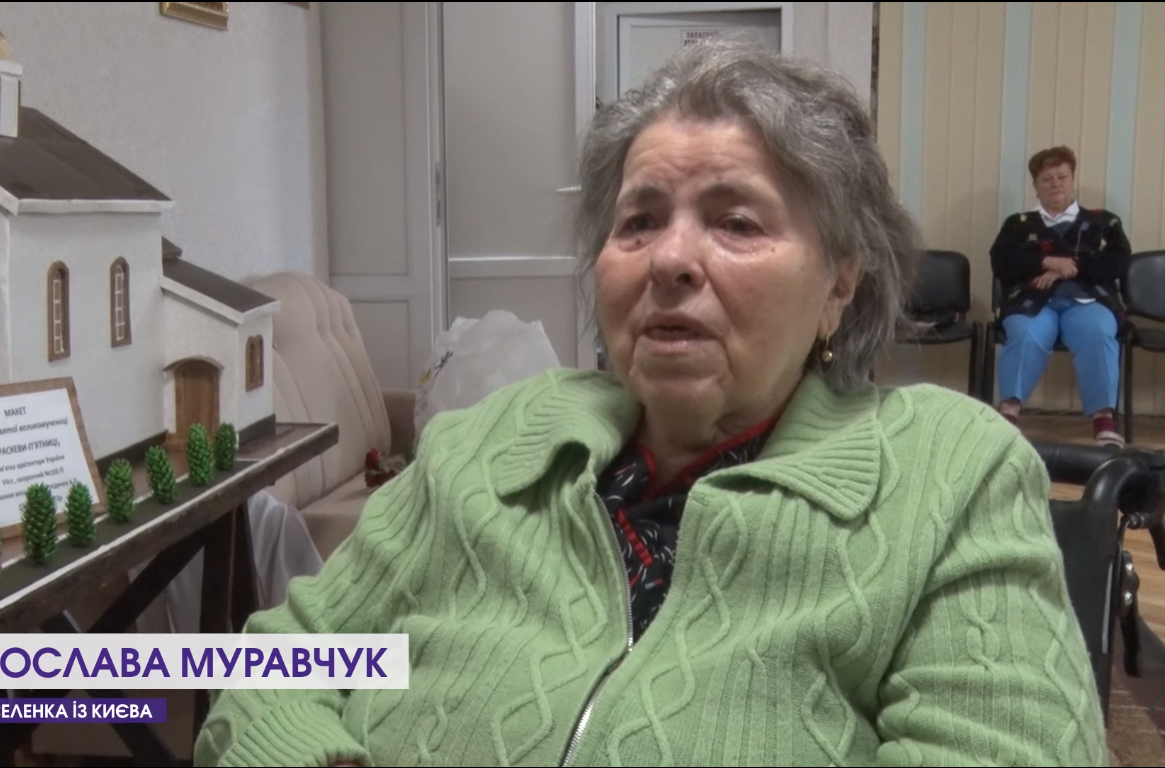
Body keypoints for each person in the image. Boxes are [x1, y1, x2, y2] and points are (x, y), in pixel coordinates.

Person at [194, 39, 1106, 768]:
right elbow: (276, 667)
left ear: (839, 284)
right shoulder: (488, 441)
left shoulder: (950, 474)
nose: (669, 258)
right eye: (638, 221)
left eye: (736, 222)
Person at [990, 146, 1132, 446]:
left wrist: (1069, 268)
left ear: (1072, 179)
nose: (1055, 184)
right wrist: (1046, 261)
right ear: (1035, 184)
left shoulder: (1104, 222)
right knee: (1024, 333)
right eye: (1047, 178)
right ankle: (1008, 416)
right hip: (1032, 301)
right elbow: (1001, 263)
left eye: (1062, 177)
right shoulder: (1018, 224)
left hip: (1089, 300)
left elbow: (1118, 262)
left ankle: (1104, 422)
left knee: (1098, 332)